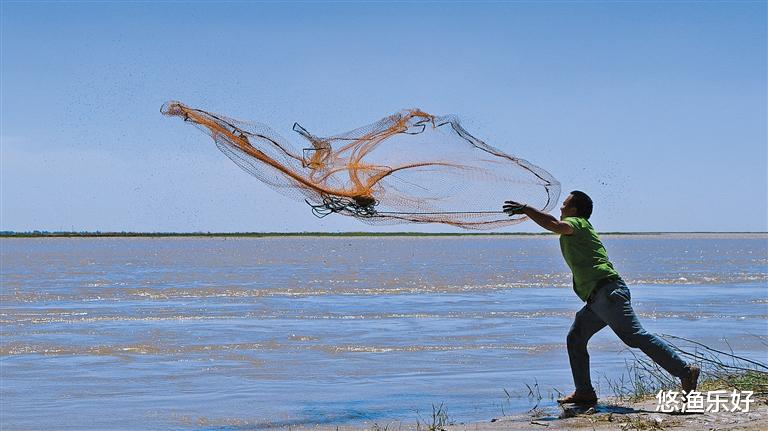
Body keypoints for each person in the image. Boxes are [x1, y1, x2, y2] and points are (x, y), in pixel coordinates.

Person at [503, 191, 699, 404]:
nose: (561, 209)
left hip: (608, 293)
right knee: (576, 338)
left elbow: (554, 225)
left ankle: (685, 372)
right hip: (597, 299)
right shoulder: (576, 225)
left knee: (635, 336)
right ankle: (584, 392)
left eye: (565, 205)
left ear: (575, 210)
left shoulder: (578, 223)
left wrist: (526, 209)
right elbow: (555, 224)